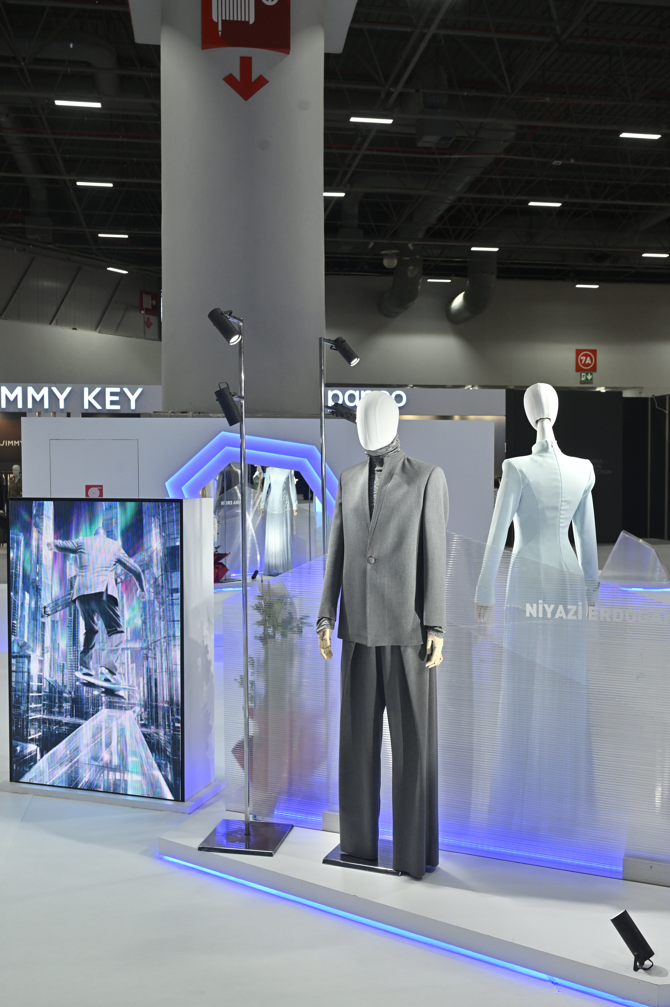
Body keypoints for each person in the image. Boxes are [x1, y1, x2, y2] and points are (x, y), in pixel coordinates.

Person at [48, 527, 145, 694]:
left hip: (80, 594)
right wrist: (141, 589)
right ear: (104, 535)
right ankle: (108, 670)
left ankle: (85, 668)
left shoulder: (82, 542)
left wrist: (50, 544)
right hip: (102, 592)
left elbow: (62, 545)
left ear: (94, 535)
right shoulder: (113, 546)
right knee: (116, 631)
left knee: (91, 629)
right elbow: (135, 569)